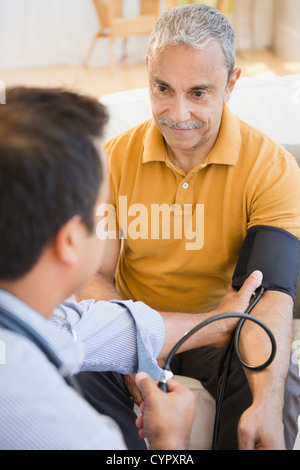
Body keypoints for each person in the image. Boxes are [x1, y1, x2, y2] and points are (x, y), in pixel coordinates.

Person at [77, 4, 300, 450]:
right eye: (163, 88)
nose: (177, 113)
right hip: (138, 329)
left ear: (230, 85)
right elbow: (94, 278)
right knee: (77, 356)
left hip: (225, 340)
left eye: (199, 93)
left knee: (278, 380)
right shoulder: (111, 163)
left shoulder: (271, 168)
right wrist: (135, 350)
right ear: (148, 74)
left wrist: (267, 401)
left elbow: (272, 294)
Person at [0, 86, 263, 451]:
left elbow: (89, 327)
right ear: (72, 241)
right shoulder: (54, 423)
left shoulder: (36, 316)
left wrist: (215, 322)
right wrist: (170, 440)